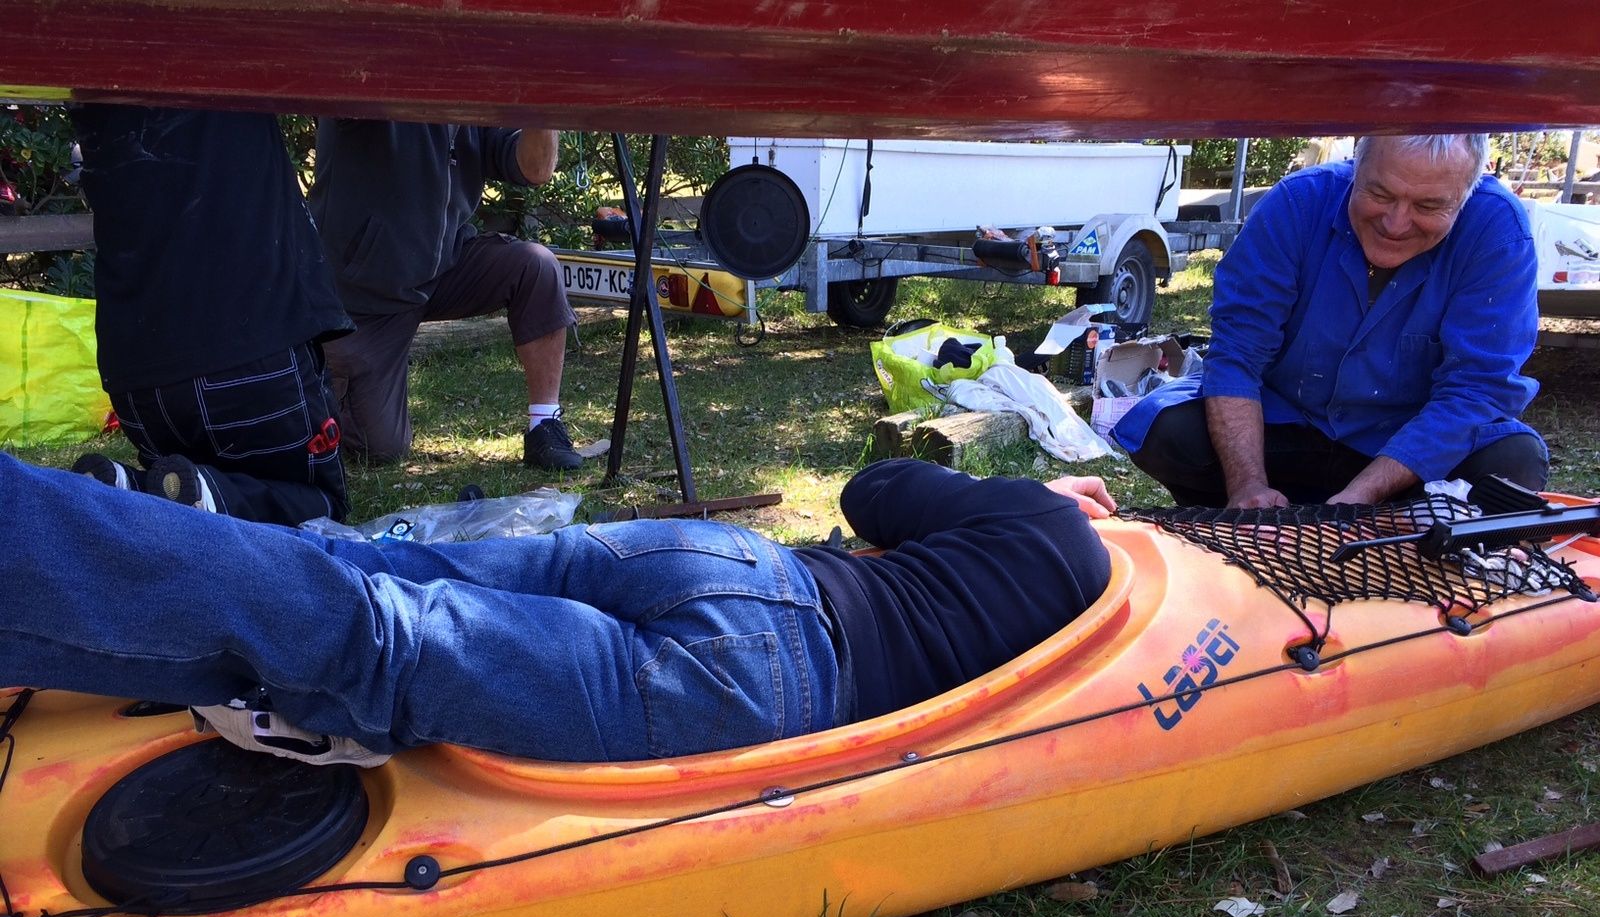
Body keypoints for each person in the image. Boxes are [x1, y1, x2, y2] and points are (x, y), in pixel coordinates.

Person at [0, 454, 1113, 765]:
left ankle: (177, 535)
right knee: (387, 640)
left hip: (736, 564)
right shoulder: (1100, 587)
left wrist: (1023, 491)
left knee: (400, 570)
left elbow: (875, 491)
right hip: (775, 678)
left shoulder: (1048, 520)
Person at [1114, 133, 1546, 509]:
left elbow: (1474, 391)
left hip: (1407, 444)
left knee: (1513, 461)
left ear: (1467, 192)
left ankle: (1380, 517)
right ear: (1357, 164)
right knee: (1168, 432)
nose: (1396, 224)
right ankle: (1248, 514)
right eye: (1379, 194)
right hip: (1289, 423)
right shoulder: (1296, 204)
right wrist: (1247, 484)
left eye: (1428, 205)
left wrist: (1361, 495)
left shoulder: (1499, 231)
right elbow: (1237, 356)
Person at [67, 106, 353, 525]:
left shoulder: (91, 82)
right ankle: (209, 496)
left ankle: (134, 491)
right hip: (251, 348)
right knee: (321, 503)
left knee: (182, 476)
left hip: (136, 377)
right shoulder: (234, 69)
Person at [308, 120, 582, 469]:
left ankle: (545, 424)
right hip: (366, 296)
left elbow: (535, 169)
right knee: (379, 449)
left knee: (536, 266)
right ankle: (313, 377)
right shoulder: (369, 87)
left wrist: (542, 107)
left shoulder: (477, 99)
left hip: (444, 264)